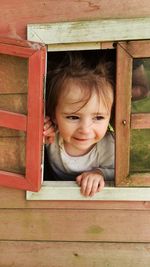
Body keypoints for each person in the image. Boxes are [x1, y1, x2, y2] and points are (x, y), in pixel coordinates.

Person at [43, 52, 115, 197]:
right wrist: (40, 131)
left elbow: (121, 173)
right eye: (73, 117)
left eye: (99, 117)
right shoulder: (53, 137)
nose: (85, 129)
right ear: (54, 116)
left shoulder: (109, 146)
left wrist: (99, 173)